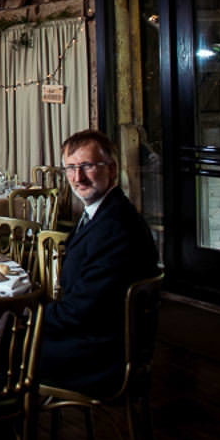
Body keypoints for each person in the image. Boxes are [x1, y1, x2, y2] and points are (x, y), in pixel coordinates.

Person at [38, 129, 159, 397]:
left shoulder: (116, 229)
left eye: (87, 166)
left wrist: (29, 317)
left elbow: (83, 311)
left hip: (102, 358)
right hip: (96, 338)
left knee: (5, 346)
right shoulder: (104, 213)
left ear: (112, 170)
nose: (77, 177)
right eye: (71, 168)